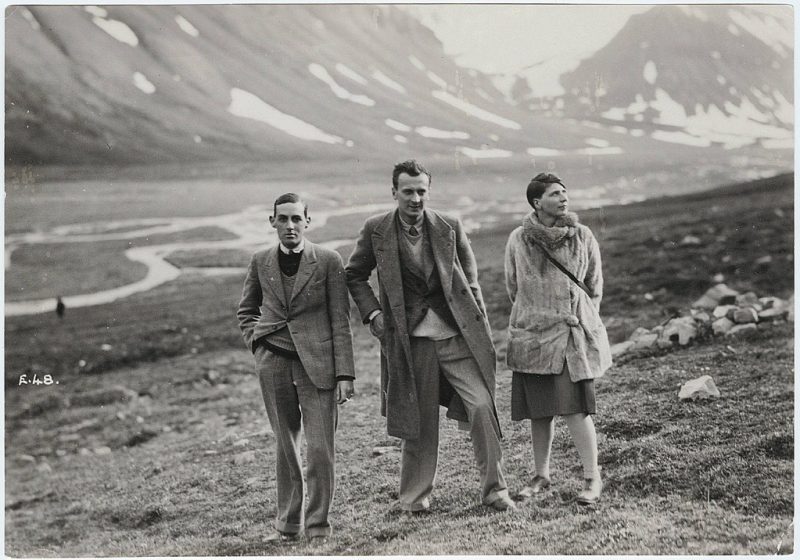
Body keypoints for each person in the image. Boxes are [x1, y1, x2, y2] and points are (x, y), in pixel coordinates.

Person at [345, 159, 514, 513]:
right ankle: (414, 498)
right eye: (407, 191)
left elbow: (471, 282)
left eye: (422, 191)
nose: (415, 199)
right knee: (418, 419)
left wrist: (478, 325)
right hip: (411, 342)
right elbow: (354, 275)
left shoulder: (449, 225)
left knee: (482, 406)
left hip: (456, 336)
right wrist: (373, 314)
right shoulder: (376, 229)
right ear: (394, 192)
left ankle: (495, 490)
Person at [237, 193, 355, 544]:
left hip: (317, 366)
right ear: (272, 222)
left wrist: (345, 374)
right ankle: (288, 526)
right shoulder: (260, 261)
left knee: (321, 449)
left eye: (296, 219)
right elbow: (246, 311)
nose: (290, 225)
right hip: (273, 363)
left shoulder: (329, 261)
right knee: (286, 446)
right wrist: (257, 346)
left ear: (308, 221)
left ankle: (318, 527)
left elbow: (341, 320)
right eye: (283, 219)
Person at [504, 172, 612, 505]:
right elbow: (513, 288)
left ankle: (592, 479)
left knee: (576, 410)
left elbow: (594, 285)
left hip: (571, 336)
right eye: (554, 193)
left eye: (565, 192)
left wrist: (579, 319)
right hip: (534, 338)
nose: (563, 197)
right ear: (537, 202)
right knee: (540, 412)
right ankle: (541, 475)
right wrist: (537, 316)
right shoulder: (518, 240)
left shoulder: (582, 235)